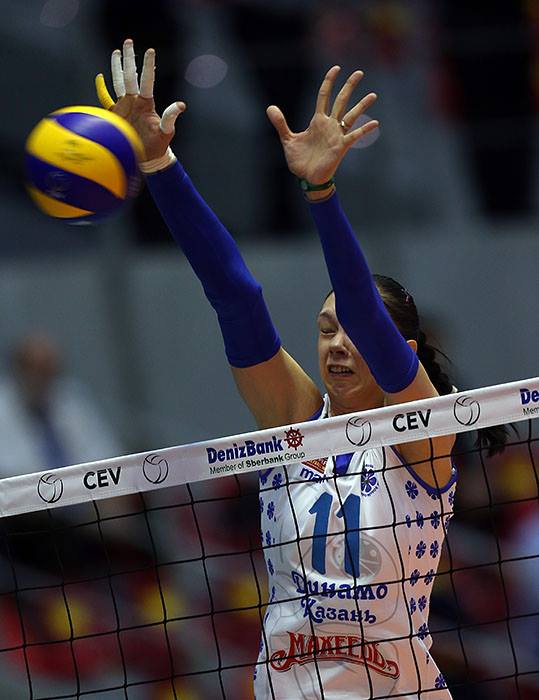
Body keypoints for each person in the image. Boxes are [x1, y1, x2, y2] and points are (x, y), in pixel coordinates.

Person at [95, 39, 507, 699]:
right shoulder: (294, 420)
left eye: (353, 332)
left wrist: (321, 190)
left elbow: (366, 314)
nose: (337, 345)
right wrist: (157, 163)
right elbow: (235, 296)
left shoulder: (423, 435)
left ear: (400, 349)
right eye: (323, 330)